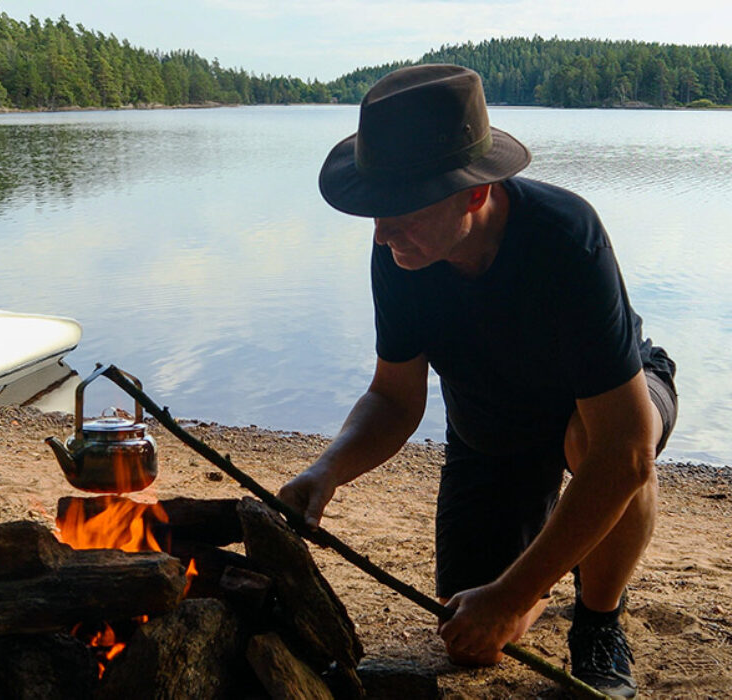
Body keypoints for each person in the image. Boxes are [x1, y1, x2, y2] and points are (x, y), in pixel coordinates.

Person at [277, 64, 677, 699]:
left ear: (473, 194)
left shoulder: (566, 236)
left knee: (601, 449)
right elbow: (392, 399)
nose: (381, 234)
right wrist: (327, 470)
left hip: (610, 400)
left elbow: (624, 453)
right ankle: (552, 567)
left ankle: (600, 619)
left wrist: (513, 589)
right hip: (489, 425)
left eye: (399, 212)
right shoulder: (402, 252)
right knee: (472, 632)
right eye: (375, 213)